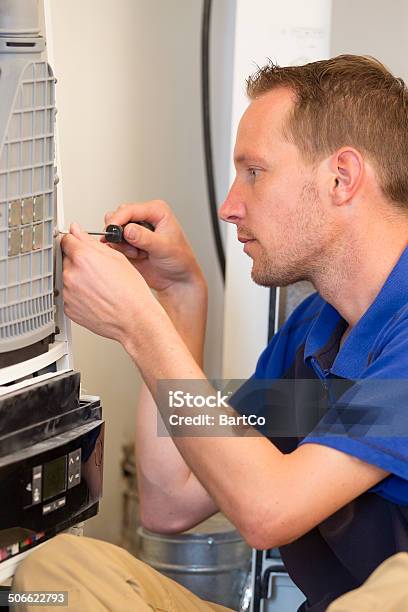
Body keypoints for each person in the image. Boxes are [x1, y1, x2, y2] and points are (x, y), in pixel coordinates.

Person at [12, 55, 408, 611]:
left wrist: (139, 326)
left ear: (341, 177)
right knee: (61, 571)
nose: (229, 206)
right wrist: (178, 302)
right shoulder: (317, 335)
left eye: (255, 172)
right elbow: (171, 501)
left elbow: (268, 510)